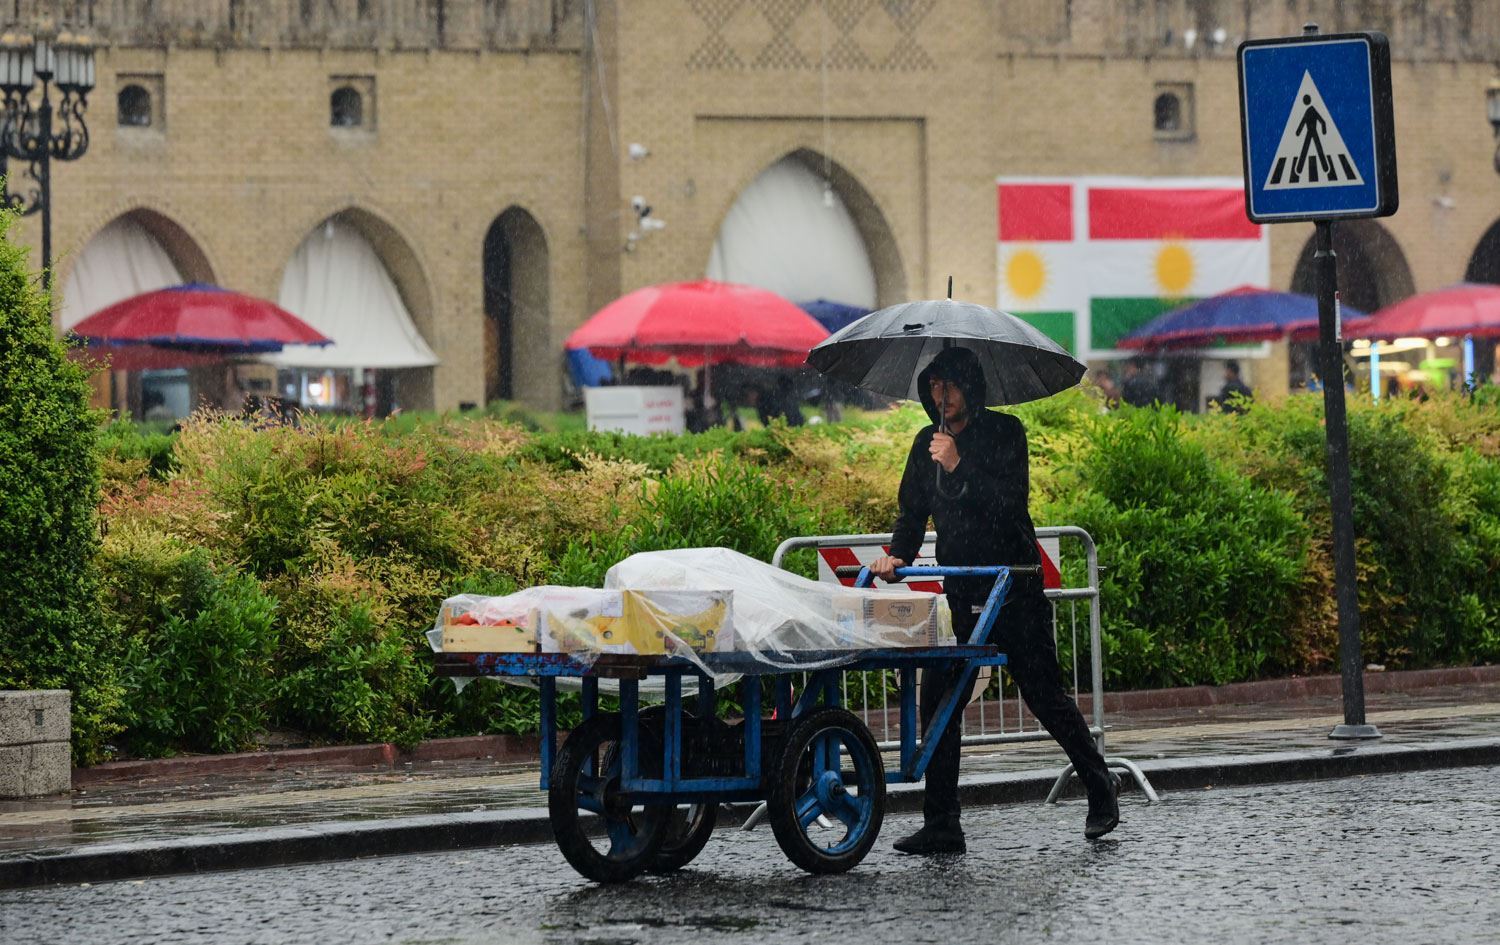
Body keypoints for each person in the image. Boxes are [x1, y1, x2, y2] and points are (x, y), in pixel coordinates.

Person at [870, 346, 1119, 855]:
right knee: (941, 699)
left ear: (971, 388)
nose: (943, 397)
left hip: (1015, 588)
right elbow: (912, 512)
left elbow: (1008, 507)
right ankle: (942, 823)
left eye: (952, 386)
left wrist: (960, 465)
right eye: (935, 387)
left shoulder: (1006, 434)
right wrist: (897, 556)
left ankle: (1100, 787)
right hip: (962, 592)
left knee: (1044, 696)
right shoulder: (926, 444)